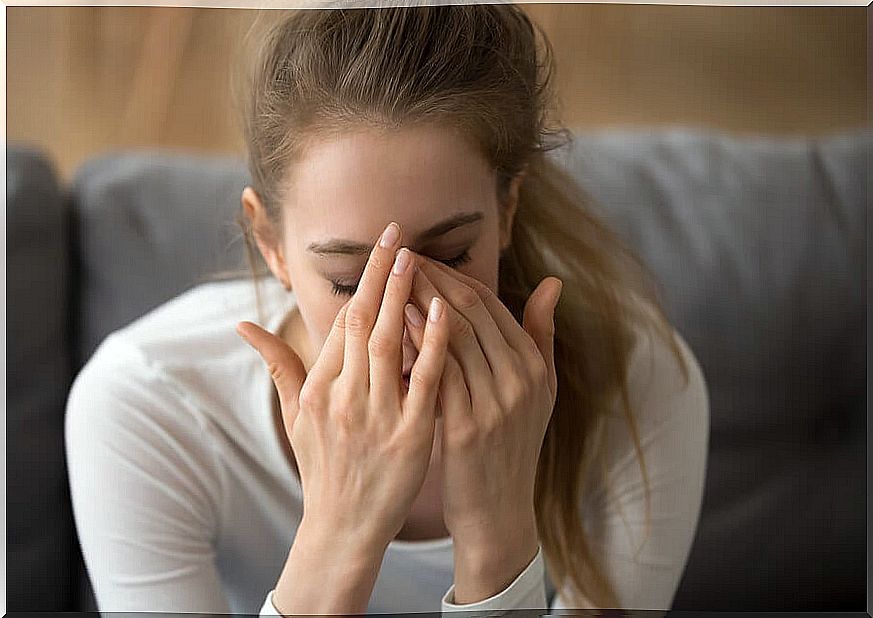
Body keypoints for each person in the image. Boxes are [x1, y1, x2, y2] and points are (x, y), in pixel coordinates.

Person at [65, 5, 710, 616]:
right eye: (350, 280)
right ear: (271, 244)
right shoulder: (148, 404)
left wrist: (494, 538)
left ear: (508, 210)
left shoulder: (639, 381)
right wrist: (341, 532)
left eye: (452, 256)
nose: (408, 321)